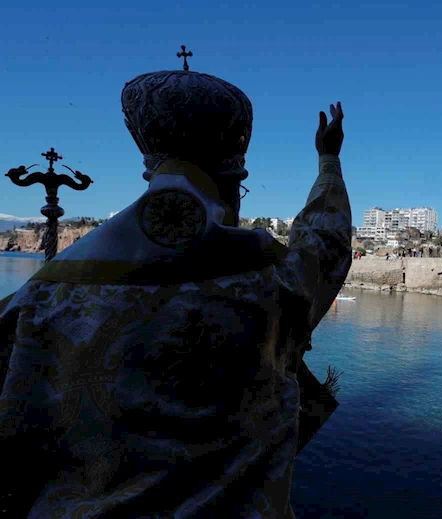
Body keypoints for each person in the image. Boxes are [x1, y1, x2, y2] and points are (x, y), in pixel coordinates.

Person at [0, 65, 351, 517]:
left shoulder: (43, 297)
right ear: (229, 184)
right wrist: (328, 160)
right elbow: (326, 243)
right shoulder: (271, 282)